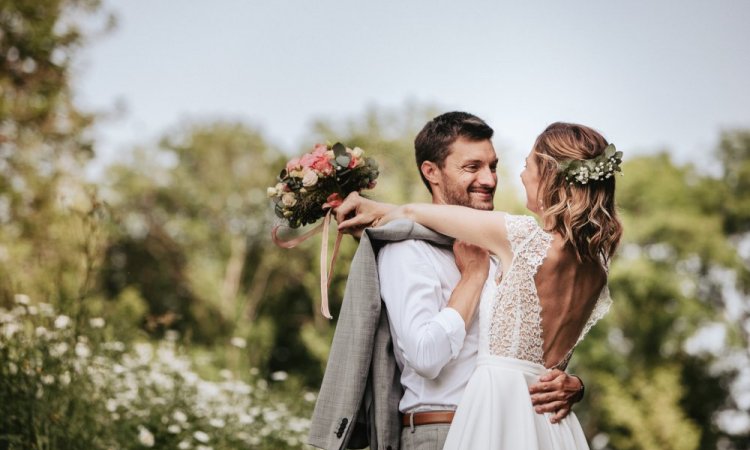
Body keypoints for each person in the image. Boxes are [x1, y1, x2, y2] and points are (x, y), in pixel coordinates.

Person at [335, 122, 623, 449]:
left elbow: (416, 212)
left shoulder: (520, 238)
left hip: (495, 410)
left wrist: (375, 212)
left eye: (527, 164)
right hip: (550, 425)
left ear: (550, 175)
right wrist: (574, 384)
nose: (520, 175)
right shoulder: (597, 268)